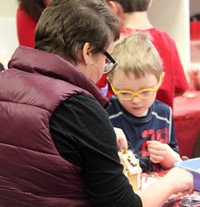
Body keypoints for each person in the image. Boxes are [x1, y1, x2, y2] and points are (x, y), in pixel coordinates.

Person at [0, 0, 193, 206]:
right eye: (106, 57)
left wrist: (103, 132)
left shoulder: (5, 81)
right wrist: (172, 181)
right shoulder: (79, 108)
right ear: (87, 51)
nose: (104, 68)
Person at [107, 32, 182, 172]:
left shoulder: (164, 113)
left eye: (145, 91)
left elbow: (176, 164)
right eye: (125, 93)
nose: (136, 100)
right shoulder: (106, 115)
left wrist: (169, 157)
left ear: (160, 80)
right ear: (111, 83)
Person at [97, 0, 189, 110]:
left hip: (119, 123)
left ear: (112, 7)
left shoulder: (112, 43)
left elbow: (94, 88)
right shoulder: (167, 40)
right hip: (161, 124)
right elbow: (180, 89)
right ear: (150, 2)